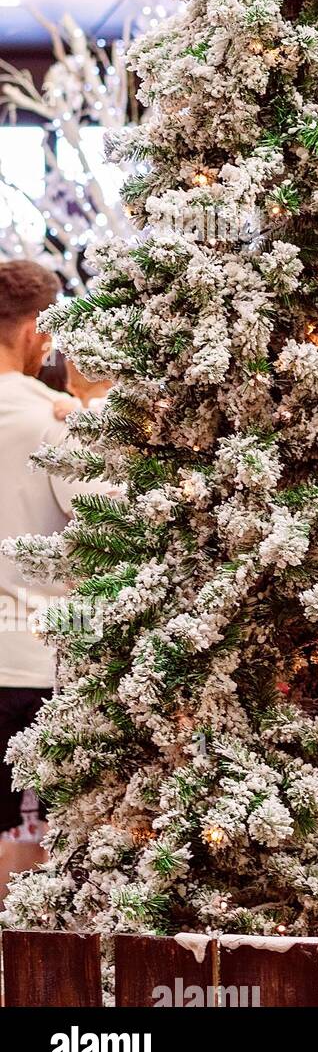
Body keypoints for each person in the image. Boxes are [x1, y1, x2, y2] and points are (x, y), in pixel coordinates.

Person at [0, 261, 95, 903]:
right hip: (41, 657)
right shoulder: (53, 417)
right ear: (36, 326)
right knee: (66, 839)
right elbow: (108, 528)